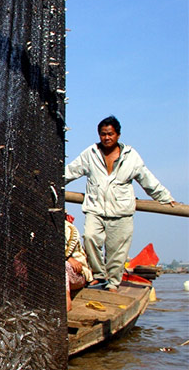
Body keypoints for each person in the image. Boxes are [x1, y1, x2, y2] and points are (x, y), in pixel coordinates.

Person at [65, 115, 175, 292]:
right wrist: (52, 183)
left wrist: (164, 197)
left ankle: (113, 284)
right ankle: (98, 275)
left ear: (118, 135)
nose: (106, 138)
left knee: (117, 252)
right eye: (103, 134)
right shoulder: (91, 154)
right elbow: (70, 172)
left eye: (110, 134)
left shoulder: (130, 157)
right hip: (95, 208)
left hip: (121, 211)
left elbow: (147, 180)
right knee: (90, 237)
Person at [64, 215, 92, 312]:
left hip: (77, 274)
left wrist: (67, 258)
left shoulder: (68, 229)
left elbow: (65, 251)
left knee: (62, 266)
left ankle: (67, 301)